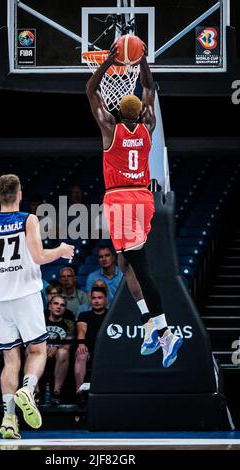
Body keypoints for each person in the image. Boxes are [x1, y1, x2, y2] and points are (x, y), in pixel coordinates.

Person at [86, 42, 183, 368]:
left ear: (118, 111)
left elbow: (91, 90)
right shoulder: (148, 127)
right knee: (126, 265)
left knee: (139, 267)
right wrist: (141, 62)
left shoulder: (109, 130)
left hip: (121, 200)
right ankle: (147, 326)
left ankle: (165, 331)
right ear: (140, 110)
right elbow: (149, 88)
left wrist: (109, 63)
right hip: (142, 197)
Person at [0, 174, 74, 439]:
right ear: (19, 195)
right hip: (26, 294)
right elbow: (38, 256)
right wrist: (61, 250)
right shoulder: (28, 219)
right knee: (38, 351)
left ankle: (8, 418)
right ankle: (27, 390)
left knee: (10, 358)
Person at [75, 286, 108, 401]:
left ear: (106, 300)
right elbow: (81, 330)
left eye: (100, 298)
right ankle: (80, 393)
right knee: (81, 354)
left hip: (105, 349)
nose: (96, 301)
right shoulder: (84, 315)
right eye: (94, 298)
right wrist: (81, 344)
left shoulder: (111, 315)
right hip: (88, 347)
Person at [45, 295, 75, 405]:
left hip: (59, 356)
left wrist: (56, 347)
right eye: (56, 304)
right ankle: (35, 392)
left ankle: (56, 392)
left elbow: (67, 345)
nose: (59, 307)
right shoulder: (41, 321)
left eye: (62, 305)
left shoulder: (69, 324)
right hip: (40, 353)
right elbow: (33, 341)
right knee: (31, 349)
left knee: (63, 352)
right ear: (49, 306)